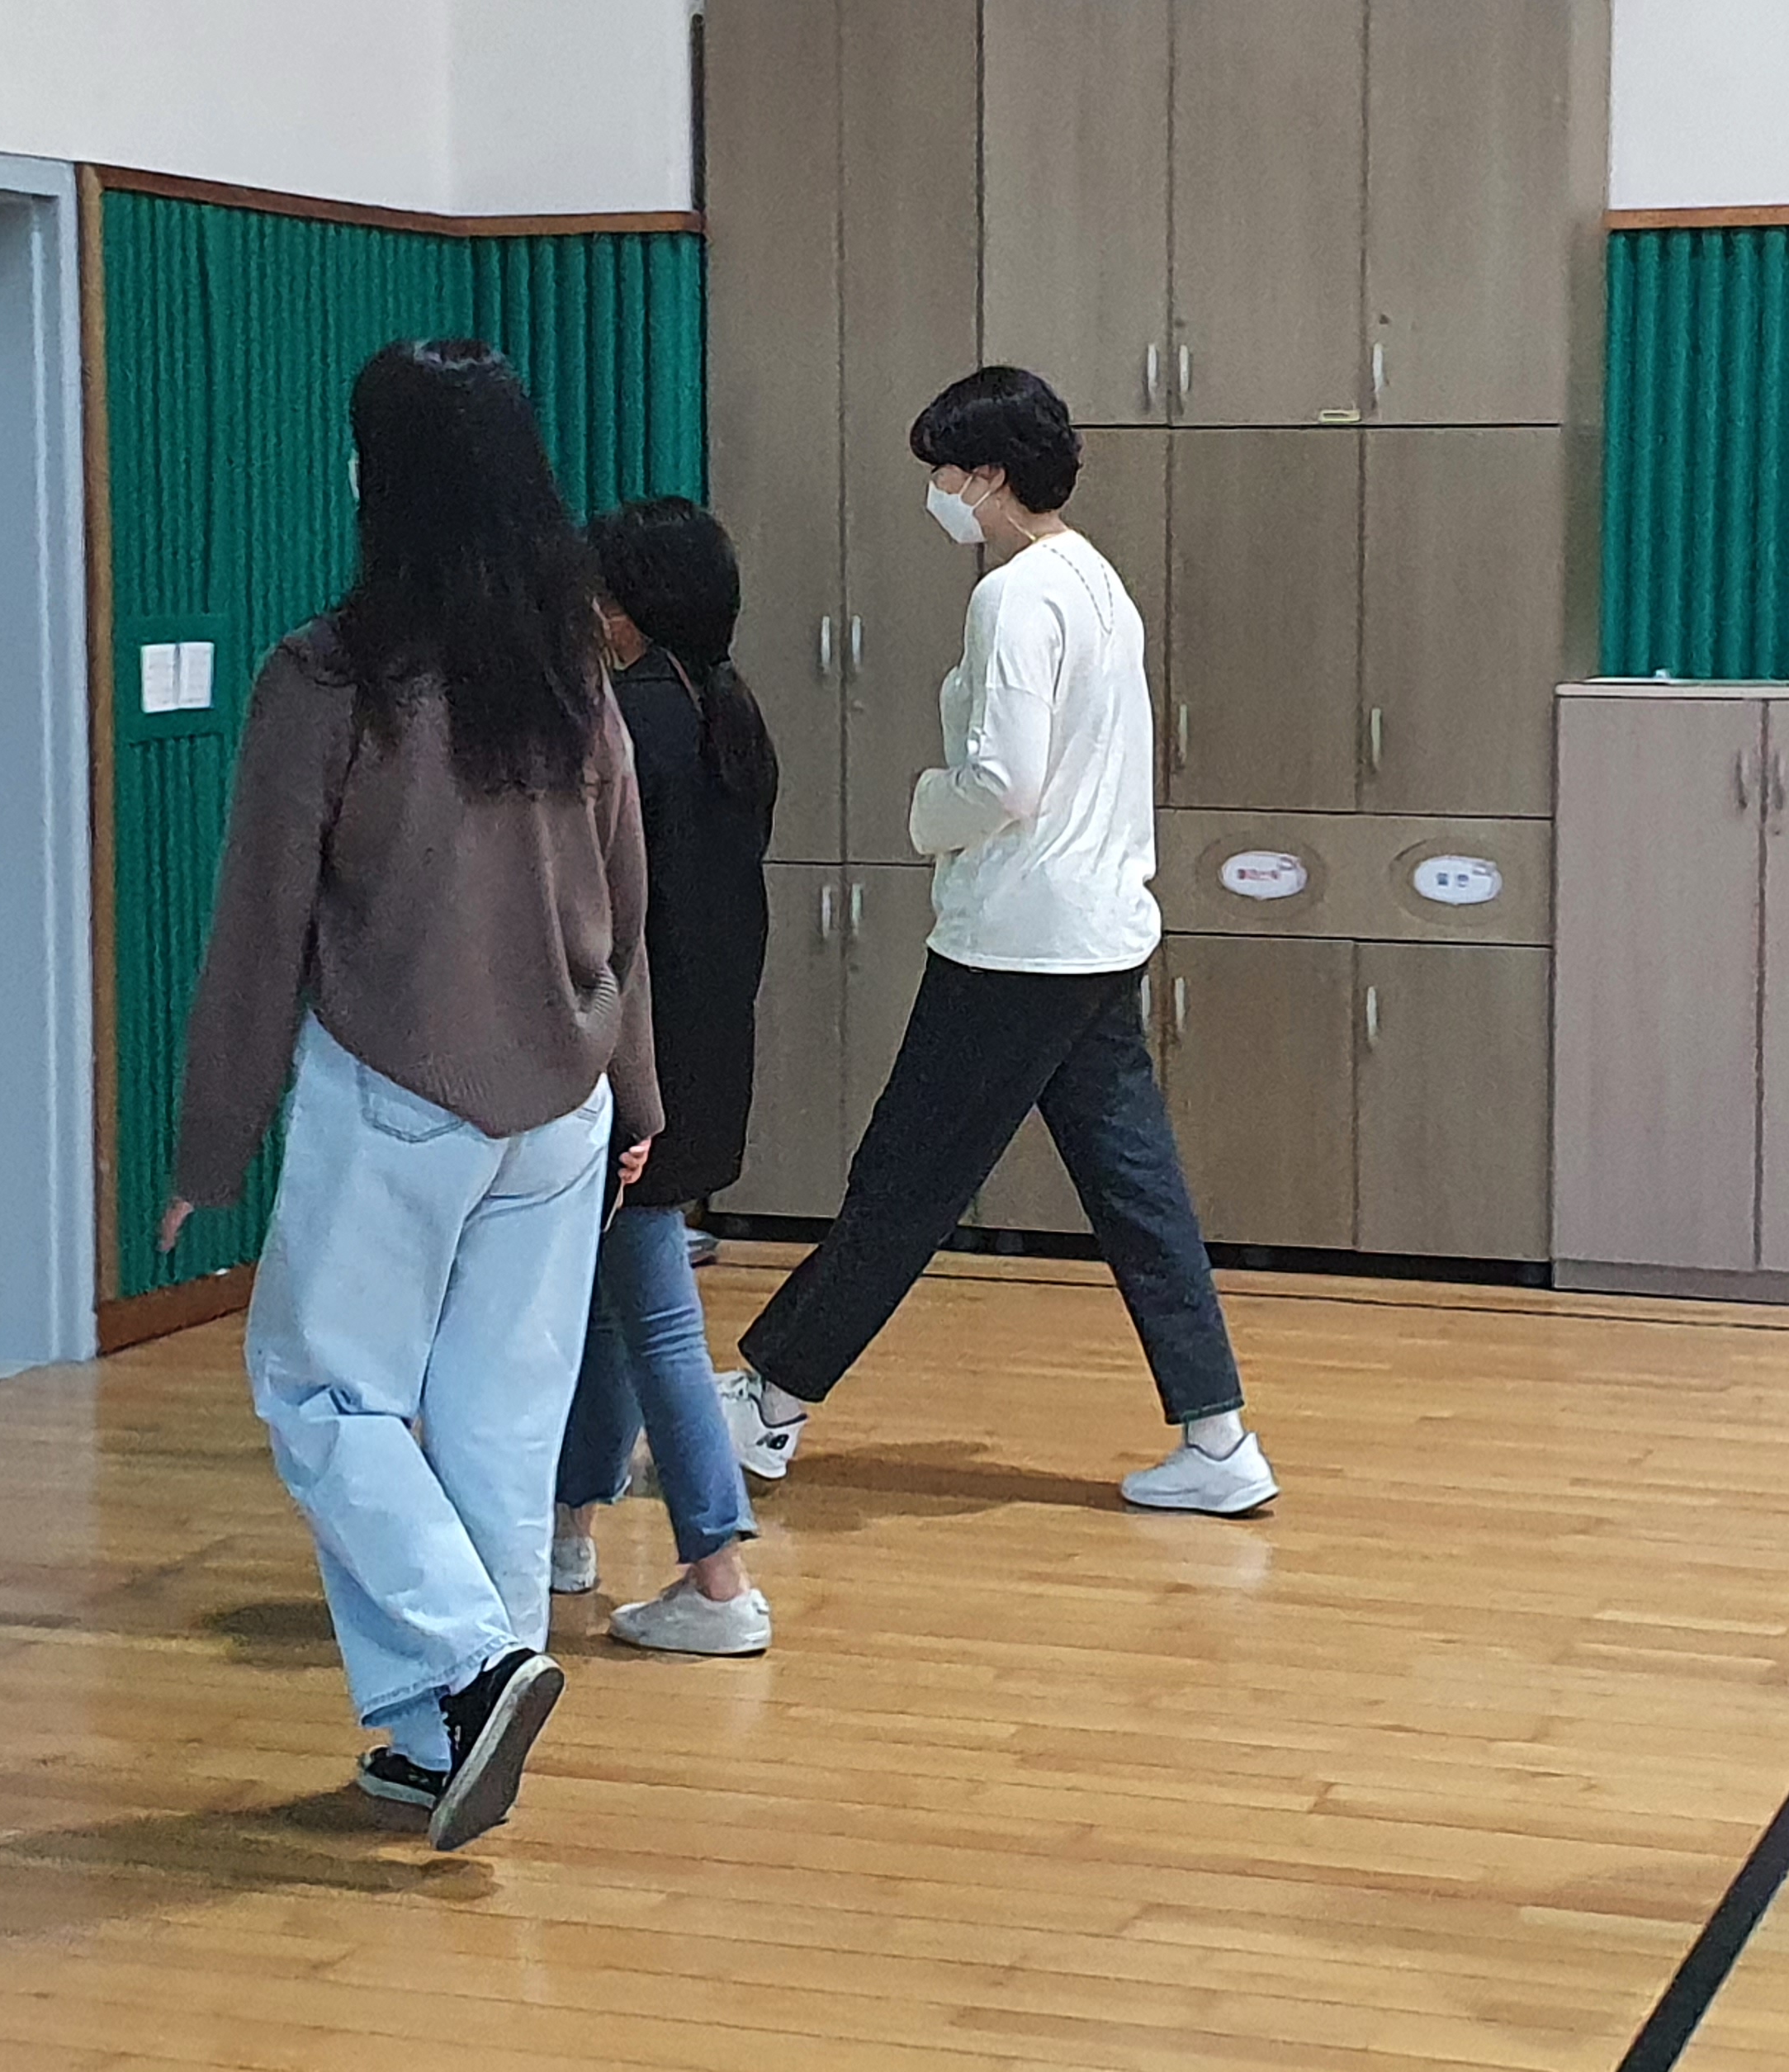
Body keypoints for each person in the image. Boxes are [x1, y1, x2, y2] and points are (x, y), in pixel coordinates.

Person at [162, 338, 658, 1855]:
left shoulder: (330, 676)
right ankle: (450, 1740)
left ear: (379, 476)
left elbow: (261, 923)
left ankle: (472, 1665)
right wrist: (638, 1094)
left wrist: (208, 1142)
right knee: (499, 1424)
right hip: (563, 1103)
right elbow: (628, 902)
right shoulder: (570, 671)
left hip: (400, 1094)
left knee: (323, 1393)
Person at [717, 366, 1275, 1516]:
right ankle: (1218, 1436)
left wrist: (926, 809)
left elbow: (1004, 783)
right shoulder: (1099, 583)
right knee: (1138, 1190)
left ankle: (768, 1404)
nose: (936, 491)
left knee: (906, 1177)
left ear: (991, 475)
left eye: (944, 471)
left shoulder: (1014, 597)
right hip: (1098, 934)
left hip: (1015, 944)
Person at [551, 499, 779, 1658]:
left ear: (624, 610)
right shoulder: (729, 711)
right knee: (614, 1303)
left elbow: (596, 918)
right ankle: (568, 1527)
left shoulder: (619, 725)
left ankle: (719, 1580)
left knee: (656, 1318)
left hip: (630, 1065)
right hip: (708, 1054)